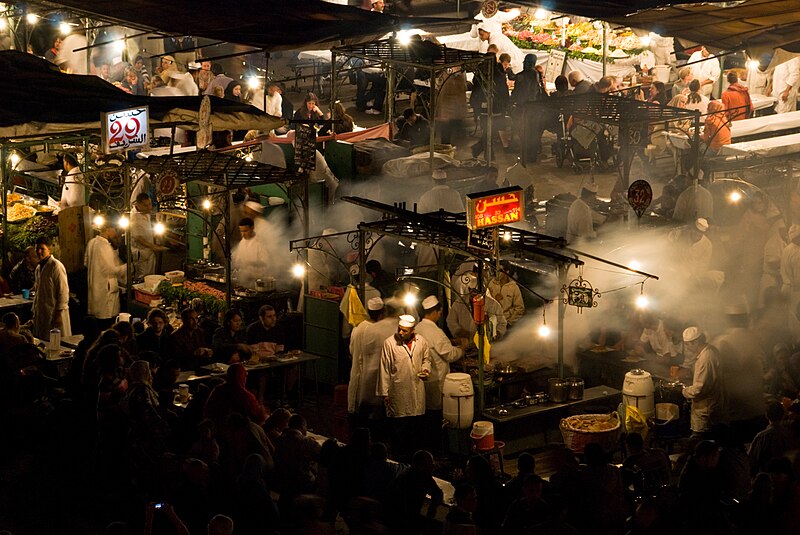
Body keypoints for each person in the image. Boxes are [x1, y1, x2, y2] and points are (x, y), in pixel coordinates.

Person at [376, 315, 430, 461]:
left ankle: (414, 459)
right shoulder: (389, 343)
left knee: (415, 430)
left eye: (405, 331)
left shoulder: (422, 342)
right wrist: (384, 393)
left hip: (416, 392)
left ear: (412, 330)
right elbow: (384, 369)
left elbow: (426, 359)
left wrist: (425, 370)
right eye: (399, 329)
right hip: (398, 393)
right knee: (398, 430)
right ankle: (399, 459)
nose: (401, 333)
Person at [681, 326, 725, 437]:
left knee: (699, 439)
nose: (686, 347)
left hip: (706, 408)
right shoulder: (710, 351)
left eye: (687, 344)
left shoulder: (705, 359)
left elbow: (699, 389)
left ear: (696, 342)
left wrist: (684, 391)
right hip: (712, 404)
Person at [85, 222, 127, 330]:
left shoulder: (92, 242)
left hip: (94, 288)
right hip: (105, 290)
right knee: (107, 321)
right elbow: (111, 269)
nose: (116, 233)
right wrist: (126, 267)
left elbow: (86, 263)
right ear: (108, 230)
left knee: (97, 320)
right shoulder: (104, 246)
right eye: (114, 230)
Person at [30, 236, 71, 340]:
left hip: (55, 312)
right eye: (37, 249)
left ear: (49, 249)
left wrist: (58, 313)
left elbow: (63, 291)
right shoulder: (39, 268)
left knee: (57, 342)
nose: (39, 252)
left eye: (42, 249)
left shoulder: (56, 266)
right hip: (42, 311)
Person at [204, 363, 267, 430]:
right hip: (238, 433)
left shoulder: (217, 390)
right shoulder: (245, 396)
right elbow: (259, 418)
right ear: (242, 377)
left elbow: (207, 412)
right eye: (245, 376)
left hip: (214, 431)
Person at [512, 54, 547, 162]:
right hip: (534, 108)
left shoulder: (520, 76)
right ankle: (532, 155)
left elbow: (516, 92)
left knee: (524, 132)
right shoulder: (536, 74)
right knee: (533, 132)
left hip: (523, 108)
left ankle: (526, 155)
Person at [130, 193, 166, 279]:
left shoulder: (145, 212)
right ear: (138, 204)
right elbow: (138, 237)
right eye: (145, 205)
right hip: (140, 254)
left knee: (151, 277)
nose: (149, 207)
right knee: (142, 278)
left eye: (150, 204)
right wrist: (153, 246)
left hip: (149, 252)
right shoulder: (134, 217)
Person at [231, 217, 268, 289]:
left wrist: (250, 263)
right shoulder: (242, 242)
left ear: (252, 228)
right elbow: (238, 260)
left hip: (257, 282)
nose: (243, 234)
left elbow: (266, 263)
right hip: (244, 280)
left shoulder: (260, 243)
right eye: (241, 231)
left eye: (245, 231)